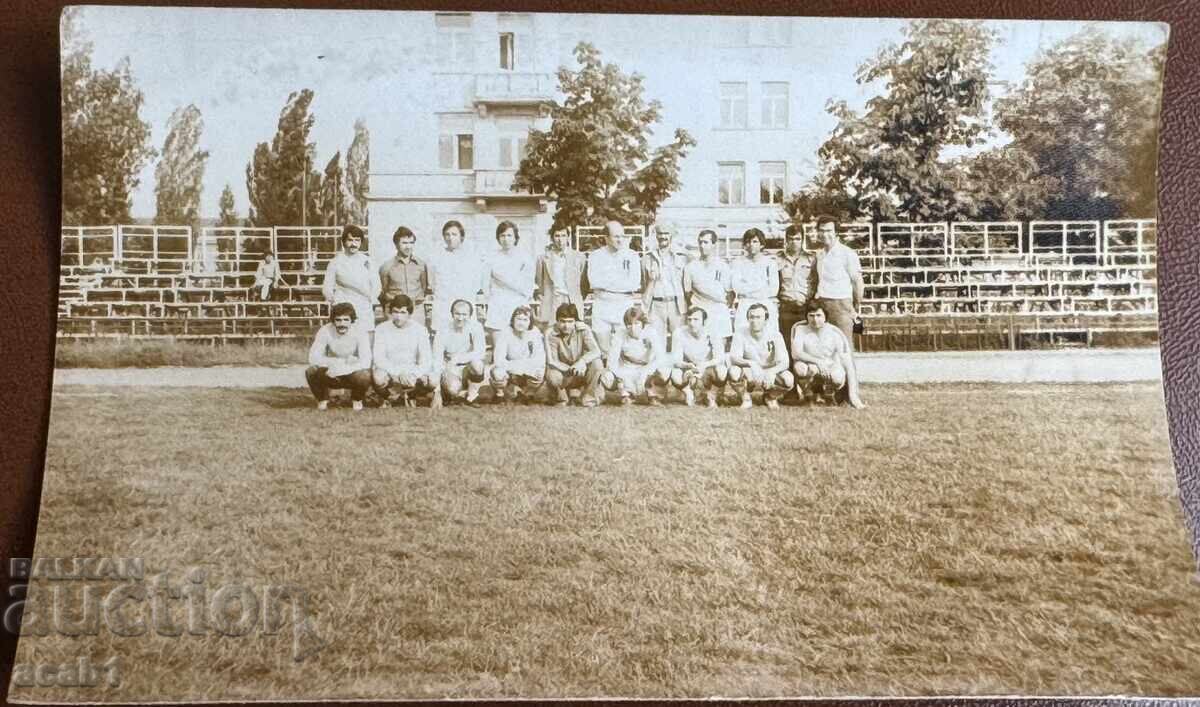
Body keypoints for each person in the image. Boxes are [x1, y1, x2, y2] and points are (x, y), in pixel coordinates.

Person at [791, 302, 867, 409]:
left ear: (825, 317)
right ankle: (809, 395)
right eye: (811, 315)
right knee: (800, 368)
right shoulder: (800, 329)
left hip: (829, 366)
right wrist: (817, 362)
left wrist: (853, 396)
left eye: (819, 315)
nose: (815, 319)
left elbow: (847, 363)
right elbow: (796, 353)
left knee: (838, 377)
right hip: (811, 365)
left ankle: (829, 393)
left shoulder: (834, 332)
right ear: (806, 317)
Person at [583, 220, 642, 354]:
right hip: (602, 304)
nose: (620, 240)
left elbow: (634, 283)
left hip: (624, 304)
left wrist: (608, 284)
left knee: (625, 347)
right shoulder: (595, 256)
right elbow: (594, 282)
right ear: (606, 238)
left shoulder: (632, 255)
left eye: (622, 236)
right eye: (616, 236)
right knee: (603, 348)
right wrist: (621, 282)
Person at [305, 302, 372, 411]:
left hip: (351, 372)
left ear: (352, 320)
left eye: (346, 320)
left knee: (364, 375)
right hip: (331, 371)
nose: (342, 324)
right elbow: (313, 357)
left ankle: (357, 399)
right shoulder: (325, 330)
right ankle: (322, 400)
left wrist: (343, 368)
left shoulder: (360, 331)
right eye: (338, 320)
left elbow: (366, 361)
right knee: (311, 371)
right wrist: (335, 363)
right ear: (333, 320)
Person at [372, 294, 434, 408]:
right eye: (395, 312)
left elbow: (426, 359)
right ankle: (388, 397)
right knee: (378, 378)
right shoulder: (381, 329)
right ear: (390, 312)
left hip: (411, 370)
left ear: (410, 314)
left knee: (432, 380)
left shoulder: (420, 330)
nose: (398, 317)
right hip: (390, 370)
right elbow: (379, 358)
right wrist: (397, 373)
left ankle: (411, 395)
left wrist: (414, 374)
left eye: (403, 312)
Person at [600, 305, 670, 406]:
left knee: (665, 371)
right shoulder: (620, 334)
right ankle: (627, 395)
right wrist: (622, 377)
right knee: (607, 377)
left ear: (643, 324)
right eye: (629, 325)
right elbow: (612, 361)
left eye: (636, 323)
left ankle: (654, 395)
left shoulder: (651, 332)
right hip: (627, 368)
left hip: (646, 367)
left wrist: (646, 371)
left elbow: (661, 357)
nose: (633, 328)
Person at [728, 302, 794, 409]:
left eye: (758, 317)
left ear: (766, 320)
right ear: (748, 319)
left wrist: (772, 372)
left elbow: (785, 362)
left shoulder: (775, 335)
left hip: (769, 370)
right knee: (734, 372)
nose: (754, 321)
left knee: (788, 379)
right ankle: (746, 398)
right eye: (751, 317)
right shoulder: (740, 333)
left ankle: (770, 397)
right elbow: (734, 358)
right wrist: (751, 363)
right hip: (750, 371)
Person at [812, 214, 864, 348]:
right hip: (822, 305)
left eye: (829, 230)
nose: (825, 234)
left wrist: (855, 305)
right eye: (822, 230)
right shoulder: (819, 254)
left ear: (836, 232)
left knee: (844, 346)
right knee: (825, 347)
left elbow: (857, 282)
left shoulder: (848, 253)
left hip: (842, 305)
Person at [428, 220, 486, 333]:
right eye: (447, 234)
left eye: (454, 234)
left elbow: (476, 284)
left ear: (461, 236)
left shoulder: (472, 258)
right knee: (442, 335)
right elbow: (432, 282)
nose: (450, 238)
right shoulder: (435, 257)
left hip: (464, 305)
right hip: (443, 305)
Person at [322, 225, 381, 333]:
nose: (353, 244)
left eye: (357, 240)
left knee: (365, 338)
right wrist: (336, 303)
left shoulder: (368, 261)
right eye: (350, 240)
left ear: (361, 242)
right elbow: (327, 288)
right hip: (343, 308)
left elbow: (377, 286)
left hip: (363, 308)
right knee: (344, 338)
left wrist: (370, 301)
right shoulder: (335, 262)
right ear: (344, 242)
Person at [544, 303, 605, 407]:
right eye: (562, 321)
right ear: (557, 321)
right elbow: (551, 361)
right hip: (563, 373)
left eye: (570, 321)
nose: (566, 326)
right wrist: (572, 368)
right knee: (552, 374)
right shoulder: (551, 333)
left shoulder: (583, 329)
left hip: (581, 371)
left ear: (575, 321)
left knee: (597, 364)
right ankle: (561, 398)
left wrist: (582, 362)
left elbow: (596, 351)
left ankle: (589, 398)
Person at [431, 298, 487, 408]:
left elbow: (480, 352)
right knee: (453, 389)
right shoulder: (443, 329)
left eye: (464, 314)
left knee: (478, 364)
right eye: (457, 314)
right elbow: (437, 357)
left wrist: (458, 358)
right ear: (452, 314)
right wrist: (436, 391)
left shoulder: (476, 327)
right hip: (450, 367)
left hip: (467, 366)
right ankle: (452, 393)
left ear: (470, 315)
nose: (460, 318)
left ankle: (471, 396)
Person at [669, 306, 728, 408]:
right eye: (689, 319)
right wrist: (688, 365)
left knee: (722, 371)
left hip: (708, 368)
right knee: (675, 374)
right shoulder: (679, 332)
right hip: (690, 368)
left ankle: (711, 394)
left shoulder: (713, 332)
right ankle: (688, 392)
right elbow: (676, 360)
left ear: (704, 321)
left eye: (696, 319)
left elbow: (720, 357)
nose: (692, 323)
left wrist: (705, 365)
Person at [683, 229, 733, 346]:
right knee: (700, 348)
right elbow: (687, 293)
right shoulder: (690, 267)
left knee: (720, 348)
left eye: (706, 242)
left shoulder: (723, 266)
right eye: (700, 242)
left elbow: (729, 293)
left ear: (714, 244)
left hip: (718, 311)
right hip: (700, 311)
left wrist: (720, 304)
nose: (702, 246)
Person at [484, 220, 534, 334]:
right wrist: (492, 297)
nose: (506, 239)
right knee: (499, 338)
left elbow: (528, 285)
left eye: (509, 235)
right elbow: (485, 284)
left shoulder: (525, 257)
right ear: (498, 238)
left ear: (515, 237)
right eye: (502, 235)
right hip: (497, 302)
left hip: (518, 302)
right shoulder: (491, 257)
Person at [490, 305, 546, 405]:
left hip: (526, 368)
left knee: (539, 373)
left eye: (525, 320)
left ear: (530, 322)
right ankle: (500, 394)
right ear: (513, 320)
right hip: (510, 368)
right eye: (518, 319)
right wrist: (515, 366)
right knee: (498, 372)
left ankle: (526, 394)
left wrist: (525, 367)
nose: (521, 323)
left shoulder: (535, 333)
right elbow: (499, 359)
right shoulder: (505, 332)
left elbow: (539, 358)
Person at [777, 223, 817, 359]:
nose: (794, 242)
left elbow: (815, 281)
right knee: (787, 341)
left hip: (805, 305)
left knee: (806, 343)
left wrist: (809, 301)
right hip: (786, 306)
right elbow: (776, 283)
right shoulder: (778, 259)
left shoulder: (811, 259)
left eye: (797, 239)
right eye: (791, 239)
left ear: (802, 240)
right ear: (786, 240)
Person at [641, 223, 687, 341]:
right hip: (656, 305)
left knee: (679, 340)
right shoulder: (648, 258)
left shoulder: (682, 257)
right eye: (660, 233)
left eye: (666, 233)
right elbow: (644, 284)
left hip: (676, 305)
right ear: (656, 235)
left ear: (671, 235)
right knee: (656, 342)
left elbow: (686, 284)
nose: (663, 237)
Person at [534, 227, 585, 329]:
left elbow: (583, 282)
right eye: (557, 236)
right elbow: (539, 282)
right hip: (552, 300)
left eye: (563, 235)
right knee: (551, 331)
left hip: (572, 300)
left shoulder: (579, 257)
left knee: (572, 331)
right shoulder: (543, 258)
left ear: (568, 237)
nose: (560, 239)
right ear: (552, 238)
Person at [378, 226, 428, 328]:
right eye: (404, 243)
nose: (408, 247)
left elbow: (424, 288)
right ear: (396, 244)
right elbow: (384, 291)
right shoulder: (386, 267)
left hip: (416, 312)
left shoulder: (421, 265)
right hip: (395, 312)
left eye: (411, 243)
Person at [732, 227, 779, 329]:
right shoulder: (737, 263)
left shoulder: (770, 263)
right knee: (743, 333)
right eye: (748, 242)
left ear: (762, 244)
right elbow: (737, 287)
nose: (751, 244)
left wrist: (748, 288)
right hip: (745, 304)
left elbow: (773, 289)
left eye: (755, 241)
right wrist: (761, 286)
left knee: (767, 333)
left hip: (765, 303)